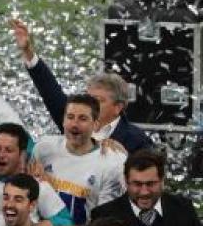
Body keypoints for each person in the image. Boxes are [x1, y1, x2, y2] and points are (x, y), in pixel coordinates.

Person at [11, 19, 153, 153]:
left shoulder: (137, 141)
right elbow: (50, 90)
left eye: (98, 100)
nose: (90, 105)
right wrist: (28, 52)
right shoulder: (74, 122)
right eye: (88, 98)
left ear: (118, 107)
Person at [31, 93, 127, 226]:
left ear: (95, 125)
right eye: (70, 117)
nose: (74, 124)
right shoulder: (43, 149)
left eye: (82, 119)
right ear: (63, 121)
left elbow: (106, 220)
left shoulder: (112, 162)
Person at [0, 123, 77, 226]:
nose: (1, 155)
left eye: (8, 150)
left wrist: (51, 223)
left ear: (21, 154)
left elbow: (68, 222)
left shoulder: (37, 185)